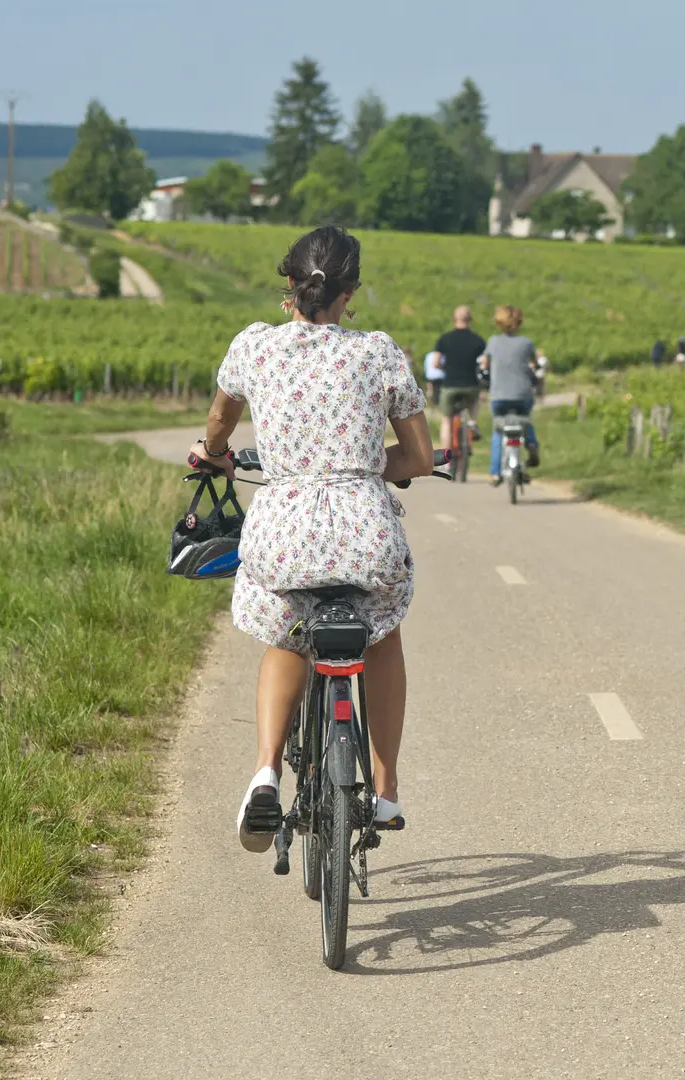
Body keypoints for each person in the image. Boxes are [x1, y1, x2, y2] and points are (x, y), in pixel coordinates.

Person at [191, 225, 436, 849]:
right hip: (364, 530)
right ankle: (383, 790)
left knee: (286, 633)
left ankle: (266, 772)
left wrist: (215, 453)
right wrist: (359, 466)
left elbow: (220, 422)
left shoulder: (255, 348)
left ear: (290, 287)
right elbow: (418, 456)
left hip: (283, 530)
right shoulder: (378, 352)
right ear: (348, 293)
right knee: (380, 635)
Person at [481, 305, 542, 483]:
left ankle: (494, 472)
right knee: (525, 420)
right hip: (522, 395)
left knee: (498, 430)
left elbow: (484, 364)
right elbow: (535, 364)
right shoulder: (526, 343)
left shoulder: (493, 342)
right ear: (519, 322)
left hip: (499, 397)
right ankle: (531, 446)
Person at [434, 305, 486, 449]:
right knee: (475, 399)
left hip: (450, 385)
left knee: (446, 420)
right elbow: (484, 364)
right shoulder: (478, 340)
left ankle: (446, 460)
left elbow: (435, 363)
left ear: (454, 319)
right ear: (470, 320)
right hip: (471, 385)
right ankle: (473, 422)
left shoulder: (445, 339)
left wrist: (445, 369)